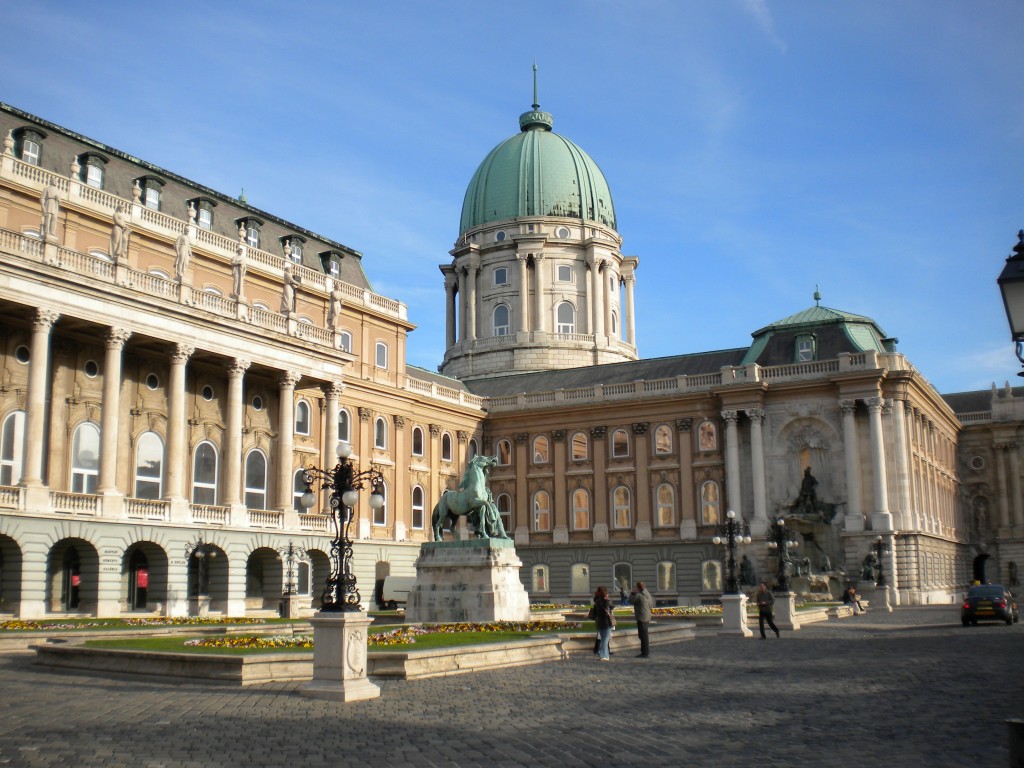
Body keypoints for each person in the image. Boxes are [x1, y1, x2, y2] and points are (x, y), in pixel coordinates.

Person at [629, 581, 653, 658]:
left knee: (643, 636)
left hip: (641, 617)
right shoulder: (647, 593)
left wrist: (632, 593)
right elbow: (651, 604)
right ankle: (645, 652)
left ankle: (645, 653)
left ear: (638, 587)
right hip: (647, 616)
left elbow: (631, 601)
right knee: (644, 635)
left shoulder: (639, 595)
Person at [592, 586, 615, 660]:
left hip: (599, 622)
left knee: (603, 638)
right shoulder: (606, 600)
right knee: (605, 639)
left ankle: (604, 654)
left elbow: (595, 612)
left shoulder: (596, 601)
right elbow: (612, 606)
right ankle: (604, 655)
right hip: (606, 622)